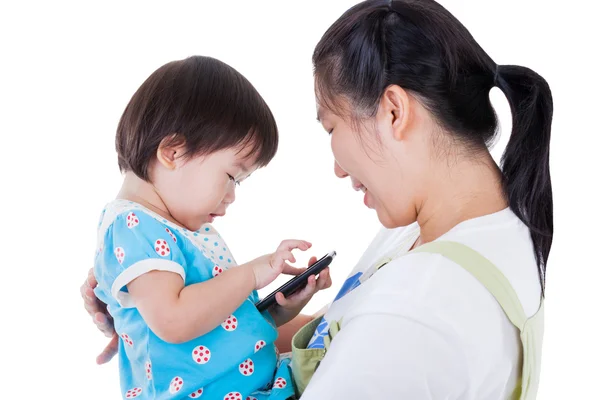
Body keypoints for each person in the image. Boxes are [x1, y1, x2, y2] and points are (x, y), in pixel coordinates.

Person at [83, 0, 553, 398]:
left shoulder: (419, 309)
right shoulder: (434, 232)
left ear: (394, 111)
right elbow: (332, 336)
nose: (337, 167)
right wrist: (138, 293)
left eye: (331, 126)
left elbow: (379, 333)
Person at [90, 55, 331, 400]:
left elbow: (221, 327)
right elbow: (174, 320)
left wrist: (281, 307)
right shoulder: (132, 226)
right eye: (232, 176)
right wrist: (251, 273)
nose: (232, 195)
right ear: (173, 152)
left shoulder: (190, 231)